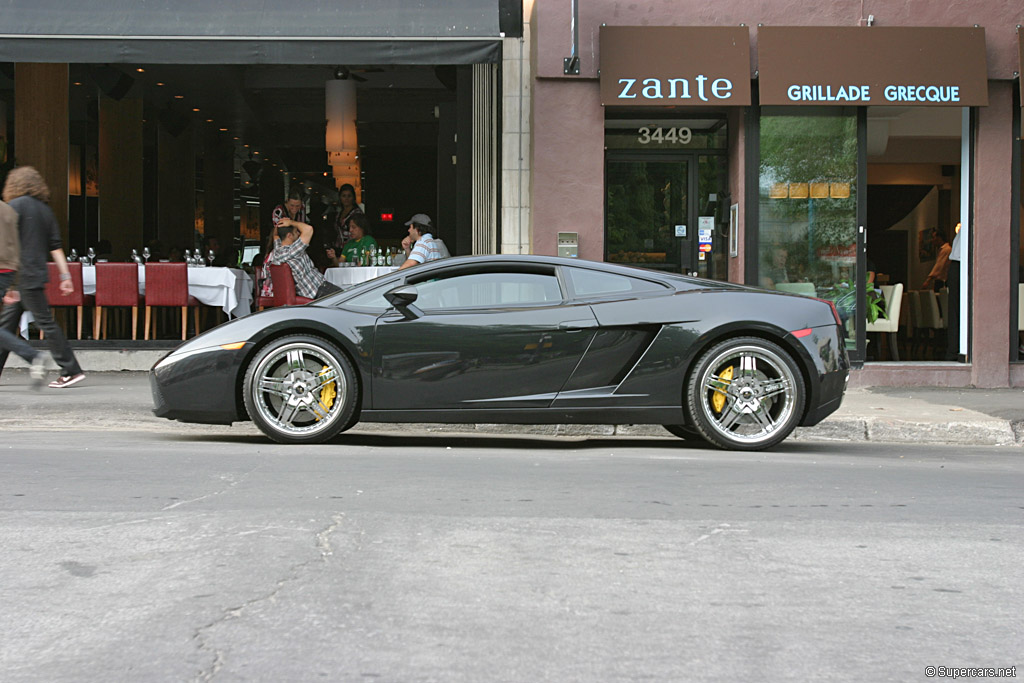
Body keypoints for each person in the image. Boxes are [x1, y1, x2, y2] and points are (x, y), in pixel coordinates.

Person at [0, 167, 85, 388]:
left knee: (45, 322)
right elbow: (55, 247)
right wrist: (66, 276)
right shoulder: (45, 211)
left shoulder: (14, 206)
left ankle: (71, 369)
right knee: (7, 325)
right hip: (35, 273)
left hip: (20, 275)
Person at [0, 196, 47, 389]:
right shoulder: (8, 210)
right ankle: (32, 356)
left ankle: (32, 355)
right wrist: (14, 284)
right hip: (9, 271)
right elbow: (19, 246)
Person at [268, 217, 341, 300]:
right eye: (296, 232)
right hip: (318, 291)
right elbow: (308, 229)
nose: (299, 234)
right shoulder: (292, 251)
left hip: (311, 292)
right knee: (349, 299)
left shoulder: (278, 250)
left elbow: (275, 235)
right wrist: (291, 222)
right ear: (289, 235)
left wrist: (280, 223)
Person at [333, 183, 363, 248]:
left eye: (349, 196)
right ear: (340, 197)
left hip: (352, 247)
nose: (346, 199)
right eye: (344, 196)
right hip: (339, 246)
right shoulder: (339, 213)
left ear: (353, 197)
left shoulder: (357, 213)